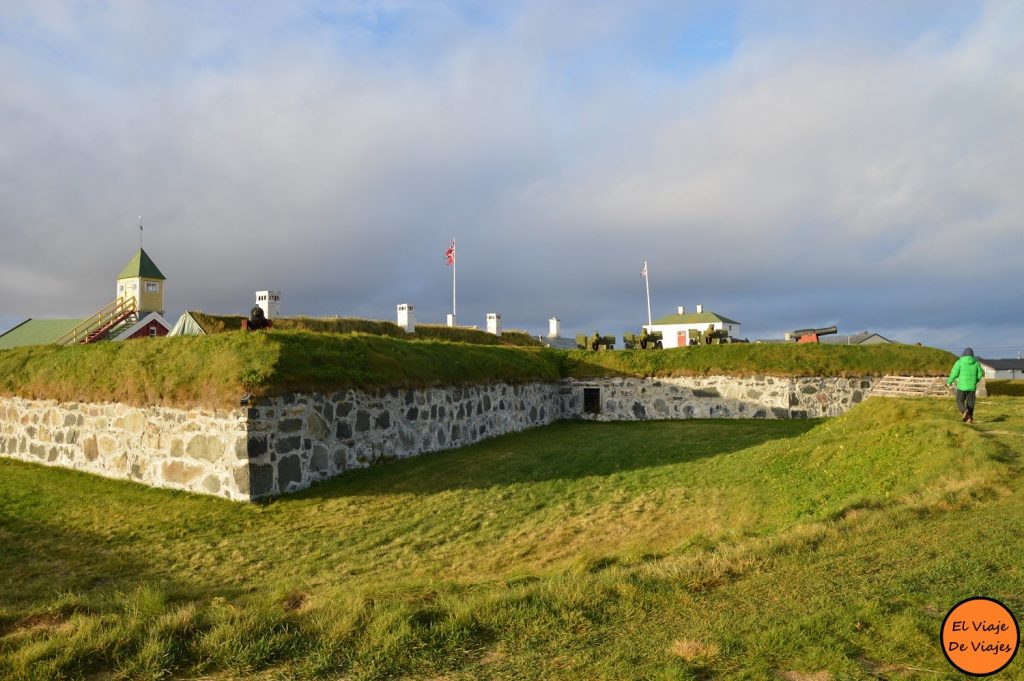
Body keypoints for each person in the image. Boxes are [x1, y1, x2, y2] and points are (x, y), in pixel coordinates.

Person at [947, 347, 985, 424]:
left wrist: (949, 382)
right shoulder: (976, 363)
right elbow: (980, 373)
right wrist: (975, 380)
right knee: (970, 402)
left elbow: (954, 373)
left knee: (959, 400)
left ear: (963, 354)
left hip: (961, 386)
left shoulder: (959, 362)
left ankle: (965, 411)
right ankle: (969, 418)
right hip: (972, 387)